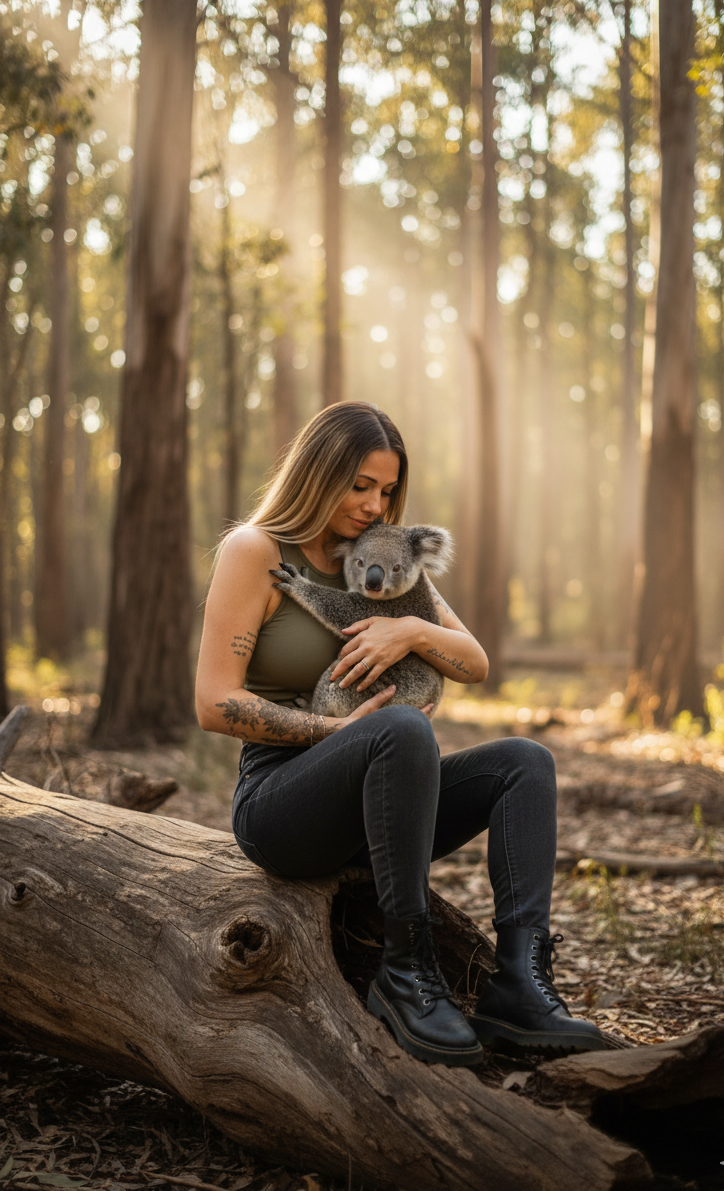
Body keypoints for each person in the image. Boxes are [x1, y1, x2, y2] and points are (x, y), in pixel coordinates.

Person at [195, 400, 605, 1066]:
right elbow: (214, 704)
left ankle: (521, 985)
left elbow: (473, 662)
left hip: (388, 801)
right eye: (359, 485)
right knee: (401, 728)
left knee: (525, 762)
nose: (373, 504)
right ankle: (406, 970)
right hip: (282, 805)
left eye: (386, 490)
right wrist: (335, 730)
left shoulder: (384, 554)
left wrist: (409, 629)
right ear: (317, 472)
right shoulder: (257, 551)